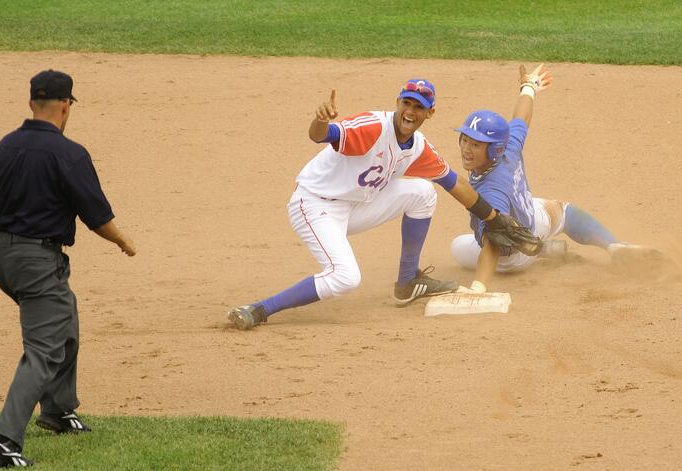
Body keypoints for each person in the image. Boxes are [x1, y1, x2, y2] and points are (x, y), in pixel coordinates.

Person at [228, 79, 533, 330]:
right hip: (314, 205)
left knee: (424, 193)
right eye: (406, 103)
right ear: (398, 102)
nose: (410, 112)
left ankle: (407, 282)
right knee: (345, 277)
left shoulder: (418, 147)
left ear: (430, 113)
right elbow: (321, 135)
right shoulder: (372, 127)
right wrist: (320, 121)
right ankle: (259, 309)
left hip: (355, 206)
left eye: (419, 107)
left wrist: (493, 218)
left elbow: (457, 184)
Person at [0, 70, 136, 468]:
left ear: (30, 104)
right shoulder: (68, 153)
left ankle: (56, 410)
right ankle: (5, 440)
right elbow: (96, 214)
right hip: (35, 261)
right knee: (44, 349)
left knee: (65, 318)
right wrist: (124, 241)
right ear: (65, 105)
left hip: (2, 257)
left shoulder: (4, 146)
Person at [450, 64, 659, 293]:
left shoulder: (492, 191)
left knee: (458, 246)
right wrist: (529, 87)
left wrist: (478, 287)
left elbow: (493, 241)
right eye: (465, 139)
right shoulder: (509, 147)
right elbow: (521, 118)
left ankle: (540, 253)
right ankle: (613, 245)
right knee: (564, 211)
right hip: (534, 220)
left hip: (511, 255)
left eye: (476, 144)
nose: (466, 149)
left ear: (494, 149)